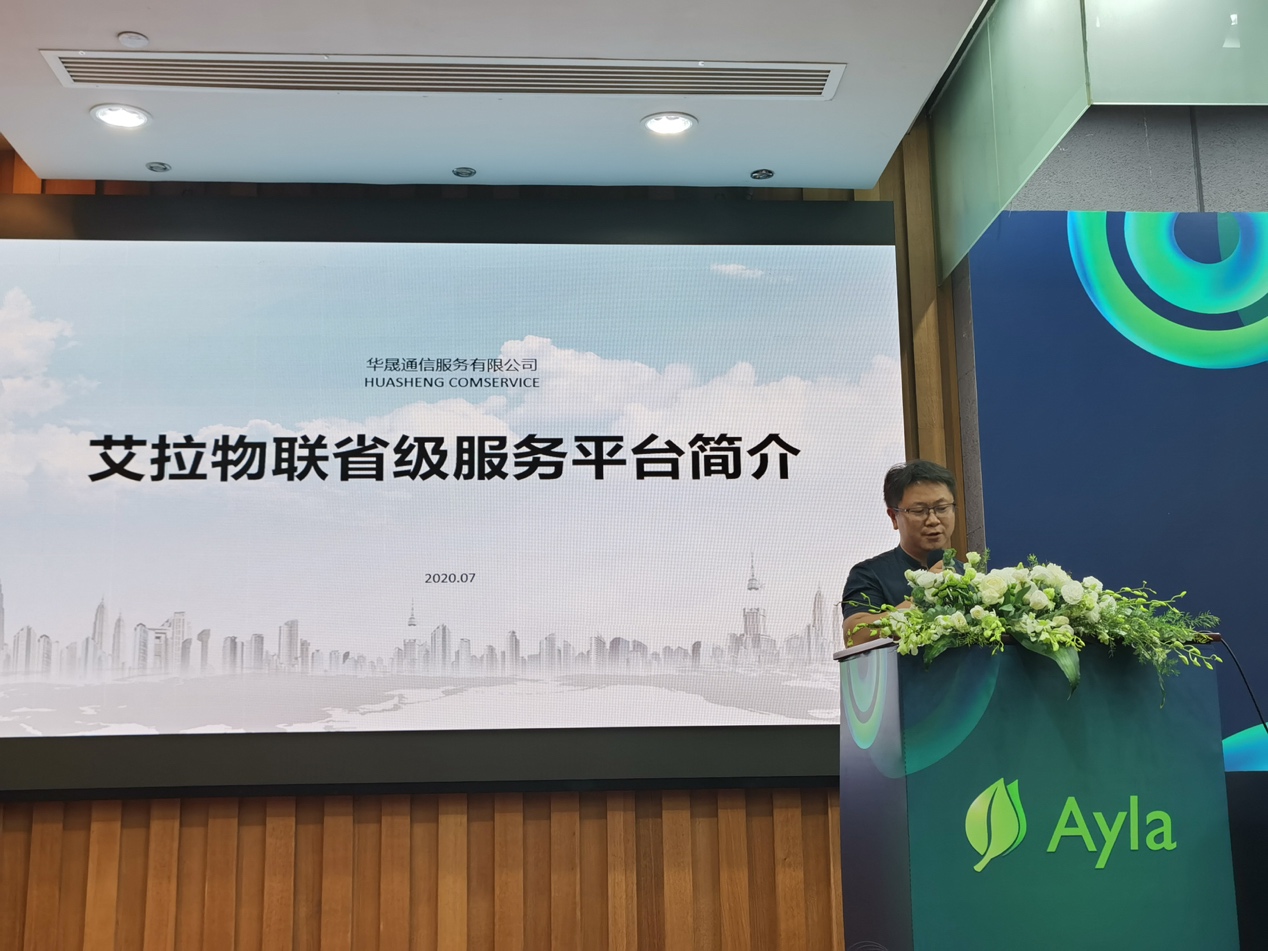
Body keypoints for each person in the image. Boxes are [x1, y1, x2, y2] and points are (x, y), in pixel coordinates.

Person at [841, 460, 957, 644]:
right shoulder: (869, 574)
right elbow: (855, 636)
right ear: (894, 517)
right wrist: (922, 600)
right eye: (919, 511)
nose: (933, 520)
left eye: (942, 508)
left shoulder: (969, 576)